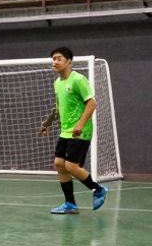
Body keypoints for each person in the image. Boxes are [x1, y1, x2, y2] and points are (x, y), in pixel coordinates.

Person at [39, 47, 109, 214]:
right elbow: (58, 108)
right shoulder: (57, 83)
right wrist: (47, 123)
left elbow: (92, 103)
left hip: (80, 131)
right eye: (53, 59)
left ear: (69, 61)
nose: (55, 61)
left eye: (59, 58)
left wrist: (80, 124)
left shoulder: (78, 79)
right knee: (59, 164)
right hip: (65, 131)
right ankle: (70, 204)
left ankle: (98, 189)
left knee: (71, 166)